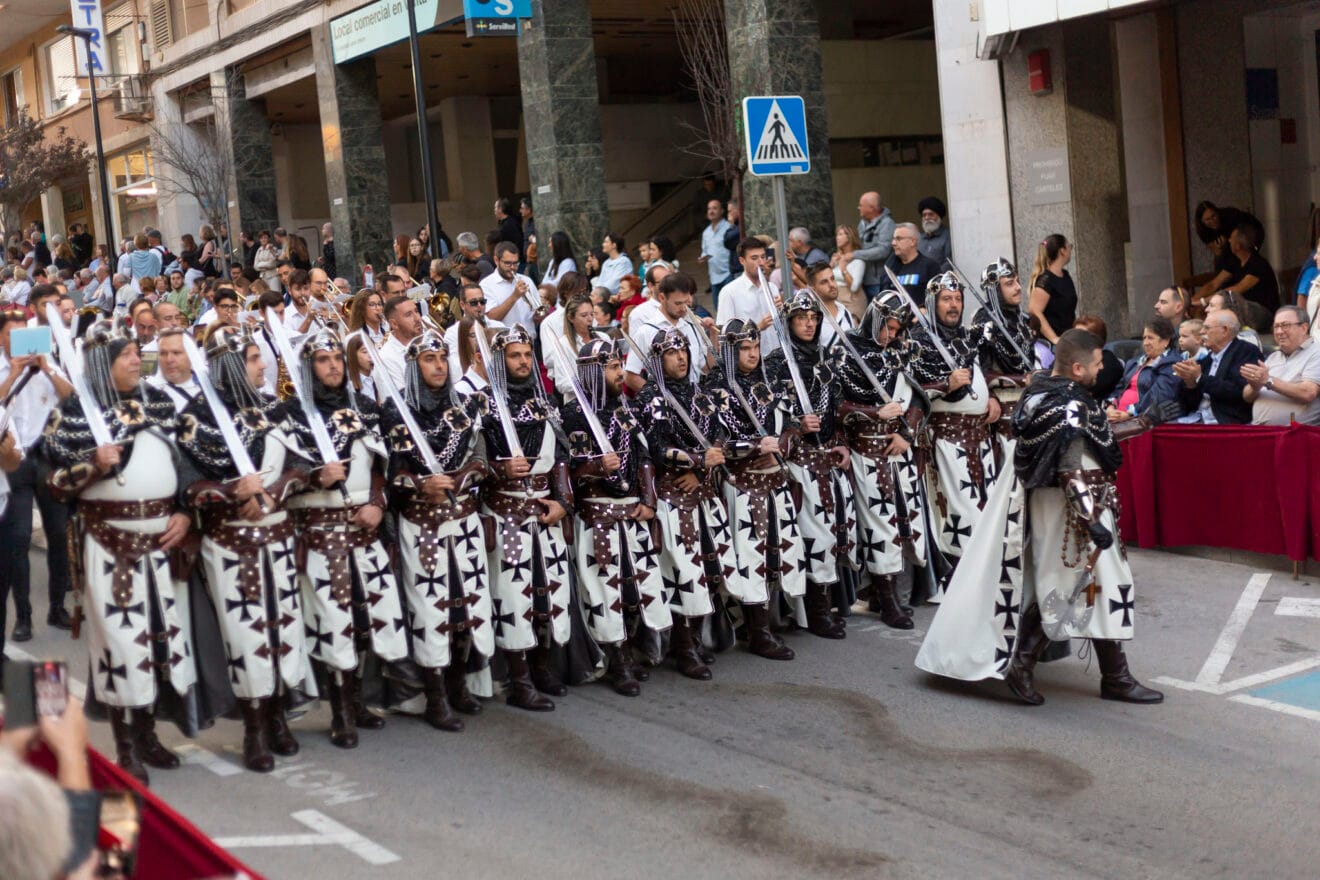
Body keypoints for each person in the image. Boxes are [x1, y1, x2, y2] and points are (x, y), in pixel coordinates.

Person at [916, 328, 1166, 707]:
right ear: (1078, 368)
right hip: (1073, 513)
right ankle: (1026, 663)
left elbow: (1091, 437)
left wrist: (1144, 422)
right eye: (1097, 364)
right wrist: (1091, 520)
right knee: (1070, 585)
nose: (1102, 370)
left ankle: (1113, 675)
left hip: (1065, 508)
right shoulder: (1067, 406)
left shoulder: (1044, 395)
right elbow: (1069, 468)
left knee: (1088, 585)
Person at [41, 320, 194, 784]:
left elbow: (185, 464)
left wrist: (185, 510)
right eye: (127, 354)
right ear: (105, 366)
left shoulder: (160, 402)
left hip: (160, 545)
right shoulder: (72, 414)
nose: (137, 359)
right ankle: (126, 745)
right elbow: (55, 485)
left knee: (158, 641)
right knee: (120, 644)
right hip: (109, 545)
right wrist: (93, 465)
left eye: (135, 351)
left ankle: (148, 734)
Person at [176, 326, 313, 771]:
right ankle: (254, 727)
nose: (262, 366)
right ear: (234, 364)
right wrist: (232, 491)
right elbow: (187, 488)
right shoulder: (197, 418)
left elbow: (301, 468)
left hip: (277, 537)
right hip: (230, 544)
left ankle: (278, 717)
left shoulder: (275, 409)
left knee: (283, 629)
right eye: (255, 358)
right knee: (246, 635)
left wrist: (273, 494)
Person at [286, 328, 408, 746]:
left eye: (337, 357)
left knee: (366, 620)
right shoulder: (292, 416)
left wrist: (378, 501)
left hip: (363, 530)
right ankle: (339, 711)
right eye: (323, 359)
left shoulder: (367, 409)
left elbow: (384, 468)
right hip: (319, 534)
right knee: (333, 622)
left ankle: (357, 701)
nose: (334, 365)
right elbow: (277, 479)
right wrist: (312, 478)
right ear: (308, 366)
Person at [379, 330, 494, 728]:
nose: (439, 365)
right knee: (431, 611)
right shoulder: (395, 413)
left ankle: (460, 683)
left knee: (466, 606)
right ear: (414, 366)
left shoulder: (464, 407)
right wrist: (419, 485)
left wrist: (466, 475)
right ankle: (435, 695)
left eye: (443, 358)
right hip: (421, 524)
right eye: (429, 359)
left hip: (463, 520)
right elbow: (389, 477)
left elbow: (481, 457)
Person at [563, 339, 671, 695]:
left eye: (619, 365)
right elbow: (568, 479)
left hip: (631, 512)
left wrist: (649, 501)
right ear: (595, 371)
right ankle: (617, 659)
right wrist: (594, 466)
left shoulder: (627, 408)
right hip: (597, 517)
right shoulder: (575, 415)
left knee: (635, 586)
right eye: (612, 368)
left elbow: (644, 459)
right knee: (603, 590)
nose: (621, 373)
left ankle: (638, 649)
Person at [479, 325, 574, 710]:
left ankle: (542, 667)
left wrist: (563, 501)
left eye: (525, 355)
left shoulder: (546, 402)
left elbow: (563, 460)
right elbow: (473, 464)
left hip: (544, 513)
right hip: (506, 514)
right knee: (513, 597)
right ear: (501, 360)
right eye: (513, 355)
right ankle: (518, 679)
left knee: (548, 593)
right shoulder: (484, 403)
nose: (521, 361)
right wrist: (499, 470)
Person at [632, 330, 732, 679]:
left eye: (684, 351)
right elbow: (656, 450)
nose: (681, 358)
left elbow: (719, 434)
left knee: (706, 569)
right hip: (671, 499)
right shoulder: (649, 398)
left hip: (702, 496)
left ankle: (697, 638)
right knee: (681, 573)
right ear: (658, 359)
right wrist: (696, 460)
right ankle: (683, 646)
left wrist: (705, 468)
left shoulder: (698, 392)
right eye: (672, 353)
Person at [715, 319, 807, 660]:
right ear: (729, 351)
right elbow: (717, 443)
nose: (753, 355)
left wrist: (785, 439)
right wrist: (754, 446)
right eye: (745, 349)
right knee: (749, 557)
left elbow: (794, 422)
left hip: (774, 483)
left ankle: (771, 618)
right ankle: (756, 631)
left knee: (778, 551)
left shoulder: (769, 382)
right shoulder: (716, 390)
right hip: (743, 487)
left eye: (755, 348)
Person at [765, 292, 853, 638]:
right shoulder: (774, 364)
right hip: (799, 462)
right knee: (812, 536)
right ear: (788, 323)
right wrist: (796, 425)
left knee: (835, 532)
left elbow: (838, 408)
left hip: (829, 459)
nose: (809, 323)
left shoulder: (827, 359)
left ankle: (829, 603)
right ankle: (814, 612)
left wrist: (842, 442)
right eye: (801, 318)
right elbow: (767, 414)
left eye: (813, 318)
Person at [836, 292, 925, 627]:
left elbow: (917, 399)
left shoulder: (900, 352)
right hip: (866, 452)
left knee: (905, 522)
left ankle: (884, 594)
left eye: (895, 328)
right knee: (878, 525)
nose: (890, 334)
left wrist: (907, 434)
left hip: (898, 451)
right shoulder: (848, 354)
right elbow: (838, 406)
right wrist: (874, 411)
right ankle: (886, 601)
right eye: (886, 327)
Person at [910, 273, 998, 580]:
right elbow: (914, 389)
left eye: (958, 298)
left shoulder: (964, 336)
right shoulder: (919, 341)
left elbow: (978, 372)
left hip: (980, 438)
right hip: (947, 440)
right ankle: (958, 578)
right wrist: (944, 384)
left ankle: (984, 575)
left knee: (986, 508)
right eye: (947, 299)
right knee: (959, 511)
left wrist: (992, 396)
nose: (954, 305)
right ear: (933, 303)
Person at [0, 292, 75, 646]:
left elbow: (70, 395)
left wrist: (44, 367)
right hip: (14, 459)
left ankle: (57, 606)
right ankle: (24, 616)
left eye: (22, 333)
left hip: (47, 458)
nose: (18, 341)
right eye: (11, 335)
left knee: (58, 534)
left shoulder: (47, 360)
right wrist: (13, 373)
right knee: (17, 540)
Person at [624, 272, 715, 391]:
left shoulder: (693, 326)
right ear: (662, 298)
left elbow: (706, 368)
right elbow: (630, 377)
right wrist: (659, 398)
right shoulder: (646, 331)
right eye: (678, 303)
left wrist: (713, 335)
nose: (683, 308)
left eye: (686, 302)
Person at [1172, 309, 1260, 425]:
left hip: (1224, 423)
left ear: (1224, 330)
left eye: (1207, 328)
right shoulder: (1207, 359)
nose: (1202, 332)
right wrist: (1190, 383)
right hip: (1195, 419)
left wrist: (1200, 377)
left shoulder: (1246, 352)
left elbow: (1237, 392)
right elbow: (1187, 405)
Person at [1243, 306, 1320, 426]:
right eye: (1276, 326)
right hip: (1260, 432)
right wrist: (1255, 386)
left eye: (1285, 325)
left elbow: (1308, 392)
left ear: (1304, 328)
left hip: (1295, 436)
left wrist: (1268, 381)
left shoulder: (1316, 352)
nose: (1279, 331)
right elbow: (1247, 397)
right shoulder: (1274, 357)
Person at [1106, 318, 1183, 422]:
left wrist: (1130, 412)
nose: (1145, 343)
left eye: (1150, 338)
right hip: (1120, 417)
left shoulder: (1173, 363)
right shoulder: (1135, 362)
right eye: (1144, 338)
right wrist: (1111, 407)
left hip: (1145, 420)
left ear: (1166, 341)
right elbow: (1119, 388)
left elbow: (1159, 395)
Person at [1205, 223, 1279, 328]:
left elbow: (1237, 289)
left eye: (1231, 238)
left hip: (1264, 312)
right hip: (1243, 309)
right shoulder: (1235, 262)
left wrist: (1205, 301)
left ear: (1238, 245)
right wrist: (1193, 301)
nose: (1229, 240)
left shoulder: (1258, 264)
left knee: (1232, 304)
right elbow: (1214, 284)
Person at [716, 238, 780, 355]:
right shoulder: (729, 292)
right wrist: (758, 327)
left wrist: (782, 310)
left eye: (763, 257)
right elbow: (725, 334)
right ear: (742, 261)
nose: (761, 262)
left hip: (777, 356)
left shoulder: (772, 287)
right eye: (754, 258)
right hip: (750, 361)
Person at [1028, 234, 1076, 344]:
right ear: (1062, 251)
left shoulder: (1065, 275)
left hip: (1067, 339)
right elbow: (1034, 311)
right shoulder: (1045, 279)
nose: (1071, 251)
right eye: (1070, 247)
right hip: (1051, 344)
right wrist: (1054, 338)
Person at [481, 242, 539, 335]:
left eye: (515, 263)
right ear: (496, 260)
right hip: (505, 343)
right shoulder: (486, 285)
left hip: (530, 341)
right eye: (507, 263)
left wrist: (538, 316)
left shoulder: (527, 280)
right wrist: (514, 296)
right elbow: (490, 318)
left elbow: (536, 316)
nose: (512, 268)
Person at [377, 296, 422, 398]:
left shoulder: (425, 344)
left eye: (416, 311)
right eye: (408, 315)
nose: (417, 318)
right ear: (394, 324)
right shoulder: (386, 357)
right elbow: (399, 402)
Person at [883, 223, 941, 302]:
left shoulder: (930, 266)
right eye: (893, 239)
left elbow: (937, 298)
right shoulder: (890, 266)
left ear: (912, 242)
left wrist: (924, 309)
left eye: (898, 239)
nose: (893, 243)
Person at [145, 328, 200, 410]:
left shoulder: (210, 385)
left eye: (176, 353)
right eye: (163, 353)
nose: (169, 360)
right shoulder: (148, 393)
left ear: (192, 355)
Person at [804, 261, 855, 348]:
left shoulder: (845, 312)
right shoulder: (809, 318)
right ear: (813, 289)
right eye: (824, 282)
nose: (831, 284)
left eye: (832, 278)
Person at [854, 191, 895, 298]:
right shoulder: (862, 223)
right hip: (863, 279)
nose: (858, 208)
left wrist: (854, 254)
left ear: (872, 208)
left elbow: (883, 250)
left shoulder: (887, 223)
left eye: (861, 205)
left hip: (878, 280)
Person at [830, 225, 866, 320]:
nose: (837, 237)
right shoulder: (836, 258)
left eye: (841, 234)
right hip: (837, 301)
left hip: (852, 301)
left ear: (849, 237)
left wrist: (843, 269)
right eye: (837, 234)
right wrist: (831, 265)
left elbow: (854, 288)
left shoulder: (858, 261)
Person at [917, 196, 952, 265]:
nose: (927, 218)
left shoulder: (948, 236)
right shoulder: (919, 238)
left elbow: (949, 263)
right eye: (924, 215)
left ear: (939, 217)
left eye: (931, 214)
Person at [494, 197, 524, 264]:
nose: (494, 210)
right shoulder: (503, 223)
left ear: (500, 209)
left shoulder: (510, 224)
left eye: (495, 208)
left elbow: (518, 241)